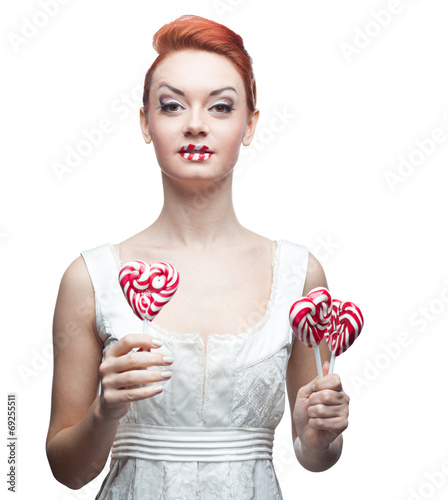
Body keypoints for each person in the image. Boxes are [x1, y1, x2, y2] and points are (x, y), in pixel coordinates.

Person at [46, 14, 350, 499]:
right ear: (146, 122)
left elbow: (313, 455)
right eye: (171, 105)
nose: (194, 125)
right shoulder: (91, 278)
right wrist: (105, 410)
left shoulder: (299, 275)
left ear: (250, 125)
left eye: (221, 107)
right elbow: (68, 471)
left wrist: (321, 435)